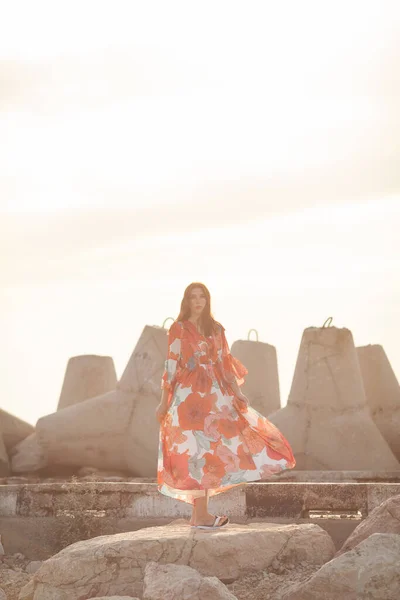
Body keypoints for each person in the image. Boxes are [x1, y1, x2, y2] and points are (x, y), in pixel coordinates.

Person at [156, 282, 295, 529]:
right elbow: (171, 366)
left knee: (212, 451)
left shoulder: (216, 329)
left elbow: (224, 364)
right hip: (187, 398)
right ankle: (200, 516)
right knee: (194, 454)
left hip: (215, 395)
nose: (198, 301)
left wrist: (238, 393)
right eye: (193, 297)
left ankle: (200, 516)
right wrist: (163, 403)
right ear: (186, 301)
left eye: (202, 297)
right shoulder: (178, 329)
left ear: (207, 301)